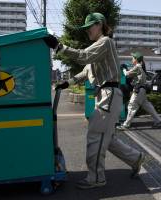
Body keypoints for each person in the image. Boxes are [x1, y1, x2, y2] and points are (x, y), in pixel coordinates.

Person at [44, 12, 145, 189]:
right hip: (107, 95)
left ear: (99, 24)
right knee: (107, 138)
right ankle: (136, 158)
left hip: (109, 94)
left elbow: (83, 56)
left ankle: (96, 178)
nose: (87, 30)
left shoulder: (105, 42)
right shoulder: (99, 49)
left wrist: (59, 46)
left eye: (89, 26)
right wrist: (67, 82)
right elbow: (85, 71)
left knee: (95, 137)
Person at [117, 51, 161, 130]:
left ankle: (126, 125)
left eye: (132, 58)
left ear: (136, 59)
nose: (131, 59)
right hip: (142, 90)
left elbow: (127, 74)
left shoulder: (137, 66)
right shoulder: (140, 66)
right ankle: (159, 121)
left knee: (131, 106)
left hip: (139, 90)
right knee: (148, 106)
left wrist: (123, 69)